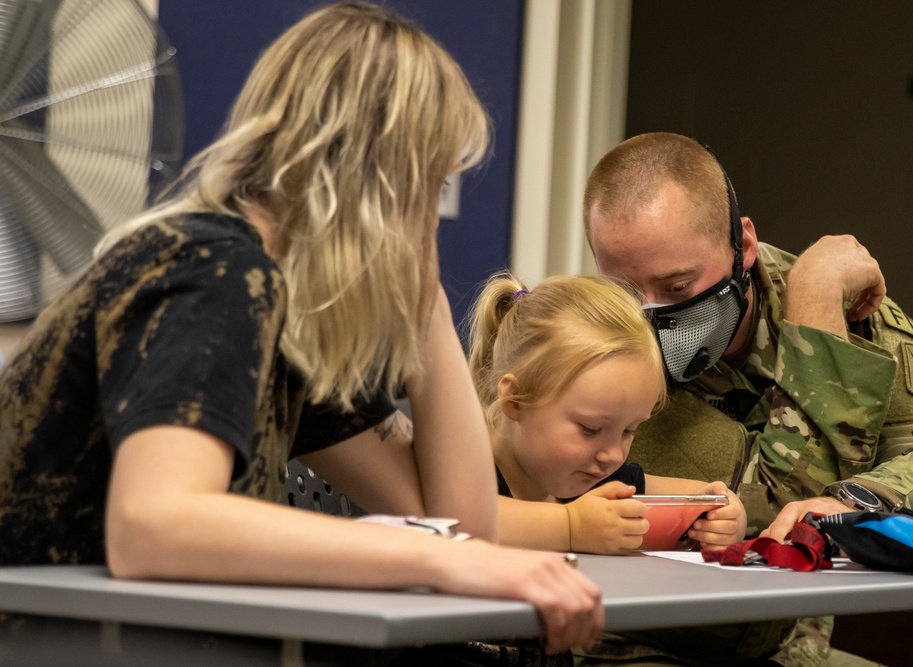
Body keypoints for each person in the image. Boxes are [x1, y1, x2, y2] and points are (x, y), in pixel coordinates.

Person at [0, 2, 603, 661]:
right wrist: (425, 554)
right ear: (381, 179)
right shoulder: (215, 266)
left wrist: (425, 299)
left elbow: (466, 527)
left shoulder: (288, 313)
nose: (433, 215)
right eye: (430, 184)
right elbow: (153, 525)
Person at [581, 132, 913, 666]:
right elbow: (765, 502)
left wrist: (853, 504)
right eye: (627, 293)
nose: (655, 318)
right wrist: (815, 302)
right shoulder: (590, 337)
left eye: (678, 288)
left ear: (743, 245)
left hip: (787, 644)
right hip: (633, 640)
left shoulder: (858, 316)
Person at [465, 272, 746, 555]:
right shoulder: (461, 469)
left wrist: (725, 515)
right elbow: (458, 519)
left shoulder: (594, 477)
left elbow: (704, 495)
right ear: (516, 401)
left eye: (629, 431)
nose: (613, 456)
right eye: (590, 428)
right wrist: (572, 527)